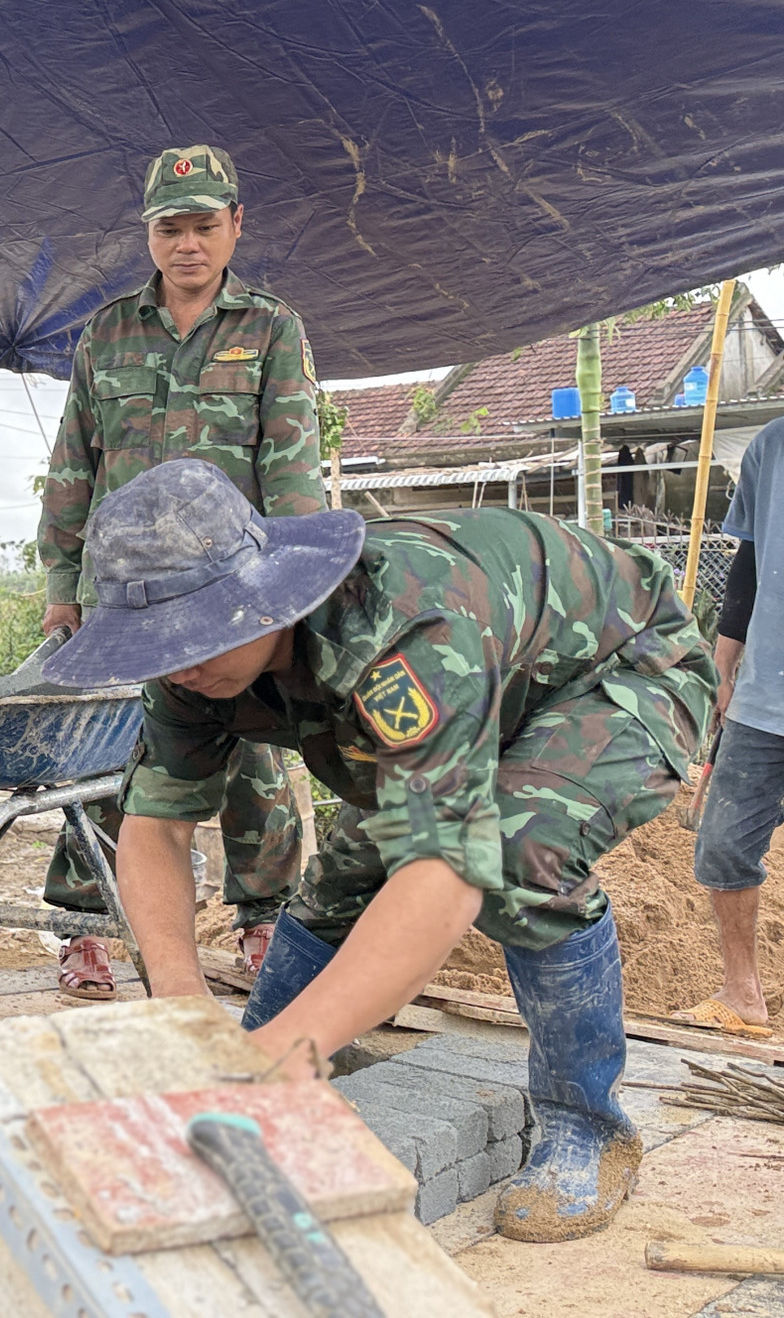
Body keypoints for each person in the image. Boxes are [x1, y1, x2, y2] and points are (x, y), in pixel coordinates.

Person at [44, 459, 713, 1242]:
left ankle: (587, 1128)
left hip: (618, 669)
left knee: (518, 854)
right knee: (349, 874)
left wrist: (293, 1047)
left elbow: (447, 873)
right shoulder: (188, 670)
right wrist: (185, 1003)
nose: (181, 662)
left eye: (199, 634)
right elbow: (155, 825)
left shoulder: (406, 623)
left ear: (265, 591)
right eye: (161, 645)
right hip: (480, 688)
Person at [37, 143, 323, 998]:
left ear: (235, 226)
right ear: (149, 235)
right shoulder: (108, 332)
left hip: (233, 591)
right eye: (171, 228)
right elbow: (71, 467)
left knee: (254, 754)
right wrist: (61, 590)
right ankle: (86, 925)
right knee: (111, 753)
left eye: (204, 225)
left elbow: (293, 469)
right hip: (127, 599)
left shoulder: (270, 328)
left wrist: (294, 592)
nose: (188, 244)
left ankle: (265, 920)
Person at [680, 416, 784, 1038]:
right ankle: (742, 994)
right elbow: (748, 562)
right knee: (723, 843)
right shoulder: (769, 446)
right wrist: (722, 664)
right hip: (764, 695)